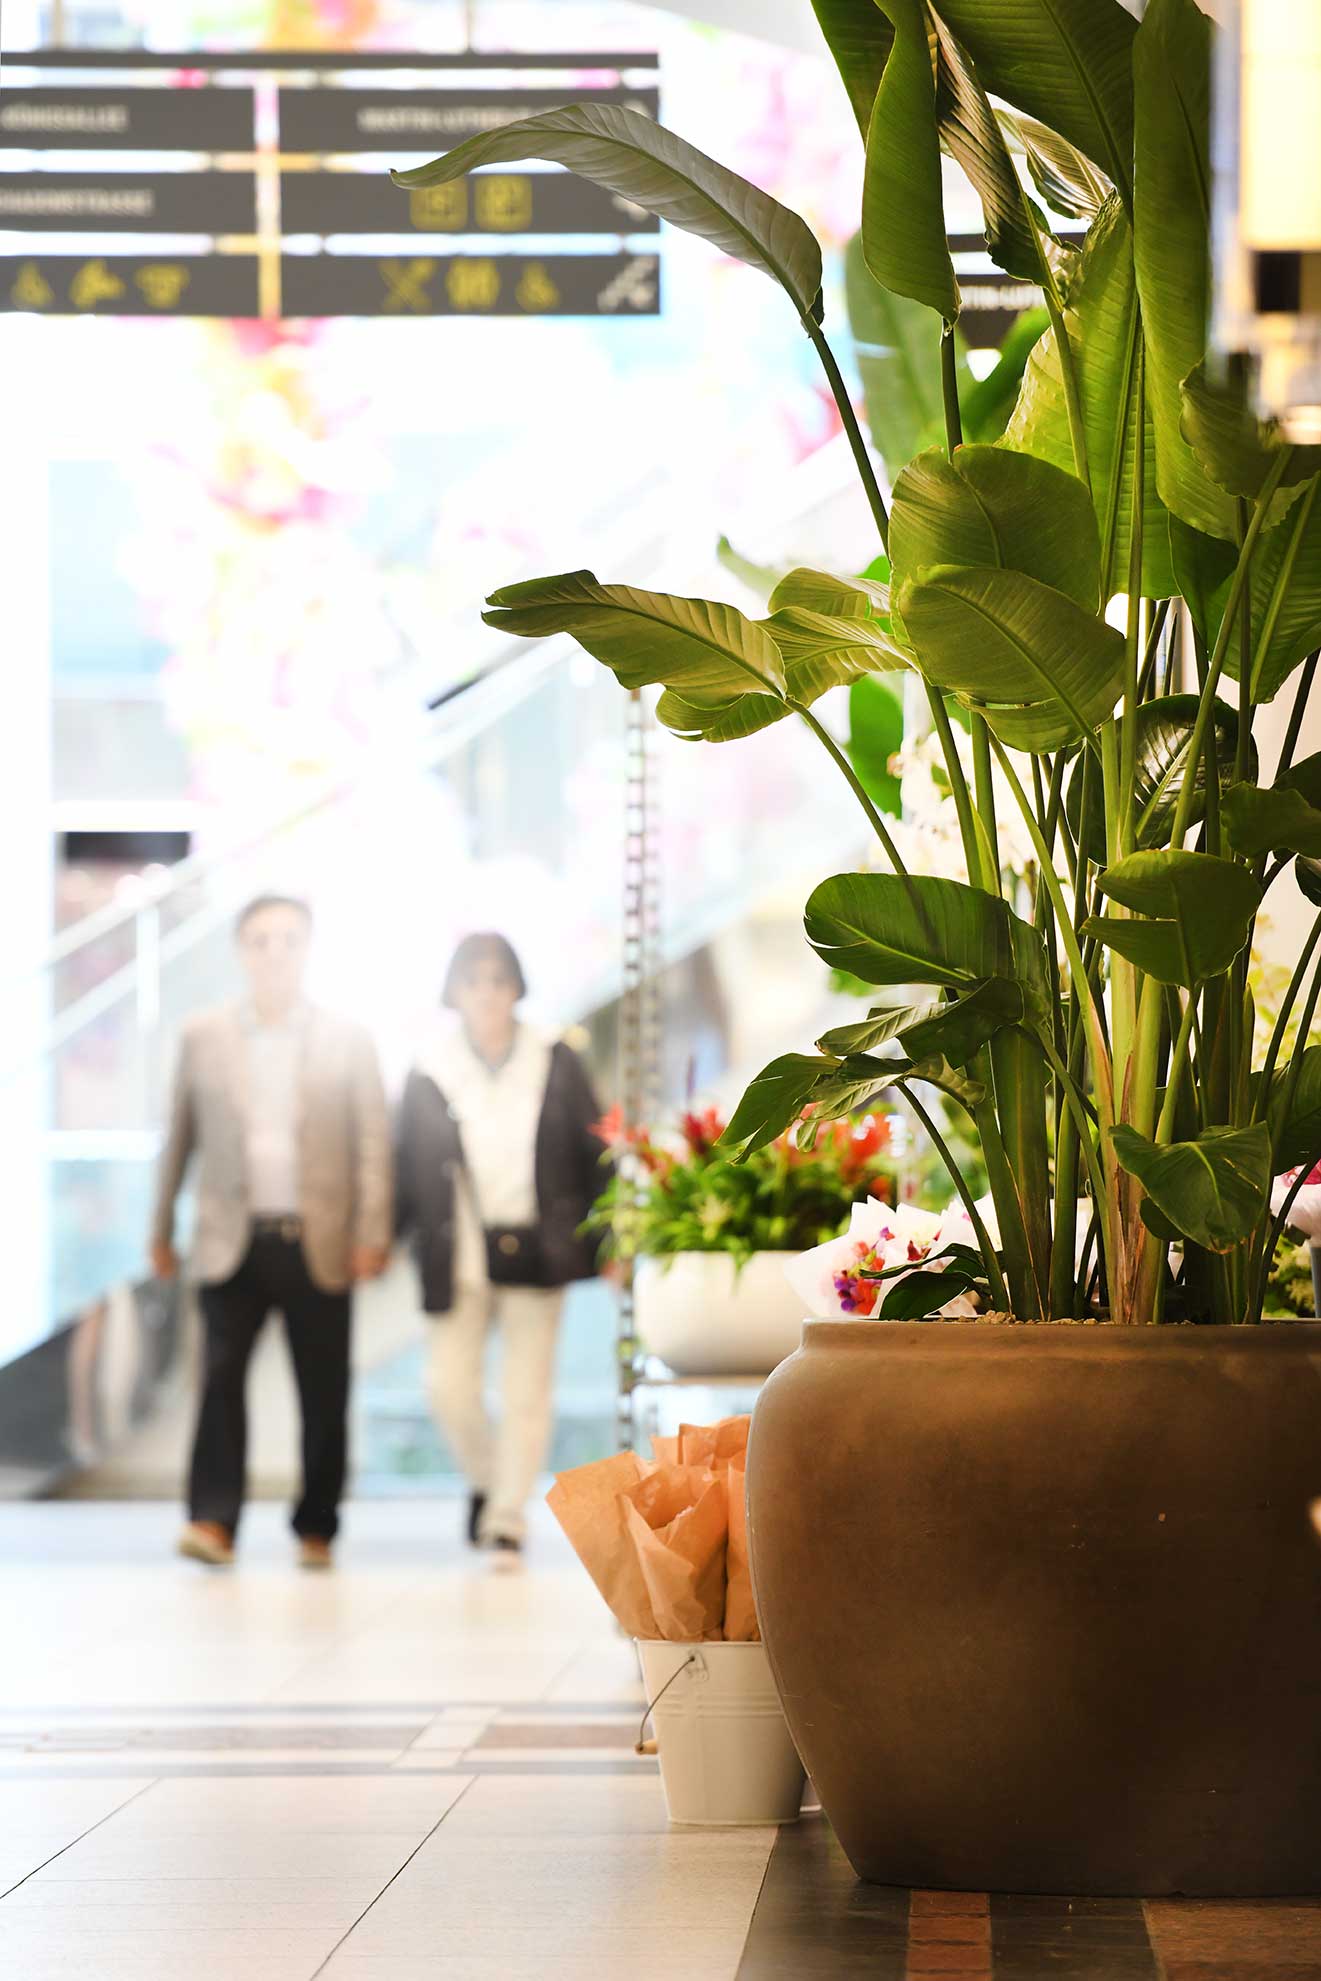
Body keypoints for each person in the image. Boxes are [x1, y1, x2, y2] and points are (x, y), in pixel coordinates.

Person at [150, 894, 391, 1570]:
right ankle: (212, 1520)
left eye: (287, 939)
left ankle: (317, 1524)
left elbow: (373, 1142)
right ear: (240, 950)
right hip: (231, 1238)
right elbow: (178, 1138)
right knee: (219, 1379)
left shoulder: (348, 1036)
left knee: (323, 1386)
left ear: (308, 947)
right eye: (259, 940)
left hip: (320, 1239)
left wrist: (371, 1231)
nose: (274, 952)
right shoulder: (204, 1034)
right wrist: (160, 1225)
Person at [395, 933, 606, 1562]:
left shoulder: (555, 1058)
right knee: (447, 1387)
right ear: (453, 992)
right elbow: (403, 1164)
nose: (487, 994)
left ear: (517, 987)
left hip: (539, 1247)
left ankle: (508, 1517)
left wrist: (612, 1239)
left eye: (498, 980)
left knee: (526, 1392)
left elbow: (595, 1153)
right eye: (473, 982)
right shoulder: (428, 1067)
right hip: (456, 1254)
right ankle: (490, 1485)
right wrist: (379, 1239)